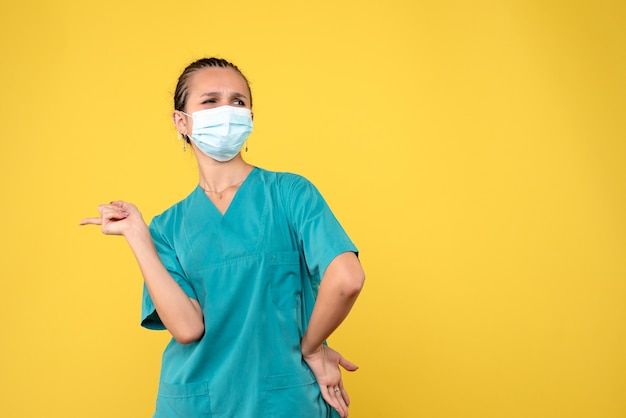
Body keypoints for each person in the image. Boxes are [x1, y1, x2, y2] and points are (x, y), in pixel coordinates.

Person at [80, 57, 365, 418]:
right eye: (210, 101)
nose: (226, 110)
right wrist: (138, 235)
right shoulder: (165, 227)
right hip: (196, 404)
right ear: (180, 121)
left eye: (238, 101)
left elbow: (347, 278)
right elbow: (187, 328)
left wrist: (312, 349)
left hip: (281, 400)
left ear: (251, 118)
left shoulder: (289, 194)